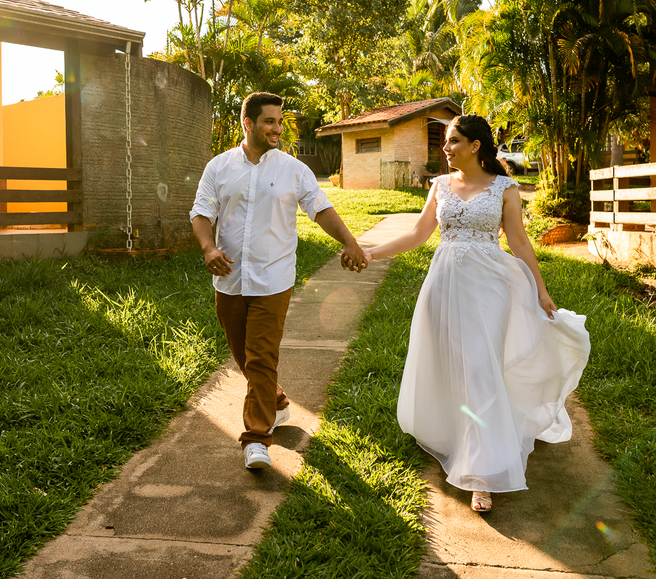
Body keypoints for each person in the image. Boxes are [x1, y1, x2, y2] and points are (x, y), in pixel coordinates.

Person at [363, 114, 590, 512]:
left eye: (453, 141)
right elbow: (417, 236)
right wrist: (369, 253)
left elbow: (518, 241)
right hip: (444, 283)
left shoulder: (505, 188)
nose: (446, 148)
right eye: (446, 142)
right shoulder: (439, 186)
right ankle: (457, 436)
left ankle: (483, 474)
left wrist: (541, 290)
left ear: (475, 145)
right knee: (452, 363)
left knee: (481, 368)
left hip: (490, 287)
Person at [191, 92, 369, 470]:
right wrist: (208, 249)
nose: (277, 128)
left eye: (279, 121)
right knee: (244, 357)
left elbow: (320, 209)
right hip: (230, 279)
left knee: (260, 355)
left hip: (274, 278)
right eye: (269, 121)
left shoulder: (293, 169)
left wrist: (351, 242)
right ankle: (277, 400)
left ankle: (256, 439)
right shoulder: (219, 167)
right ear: (248, 124)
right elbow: (201, 212)